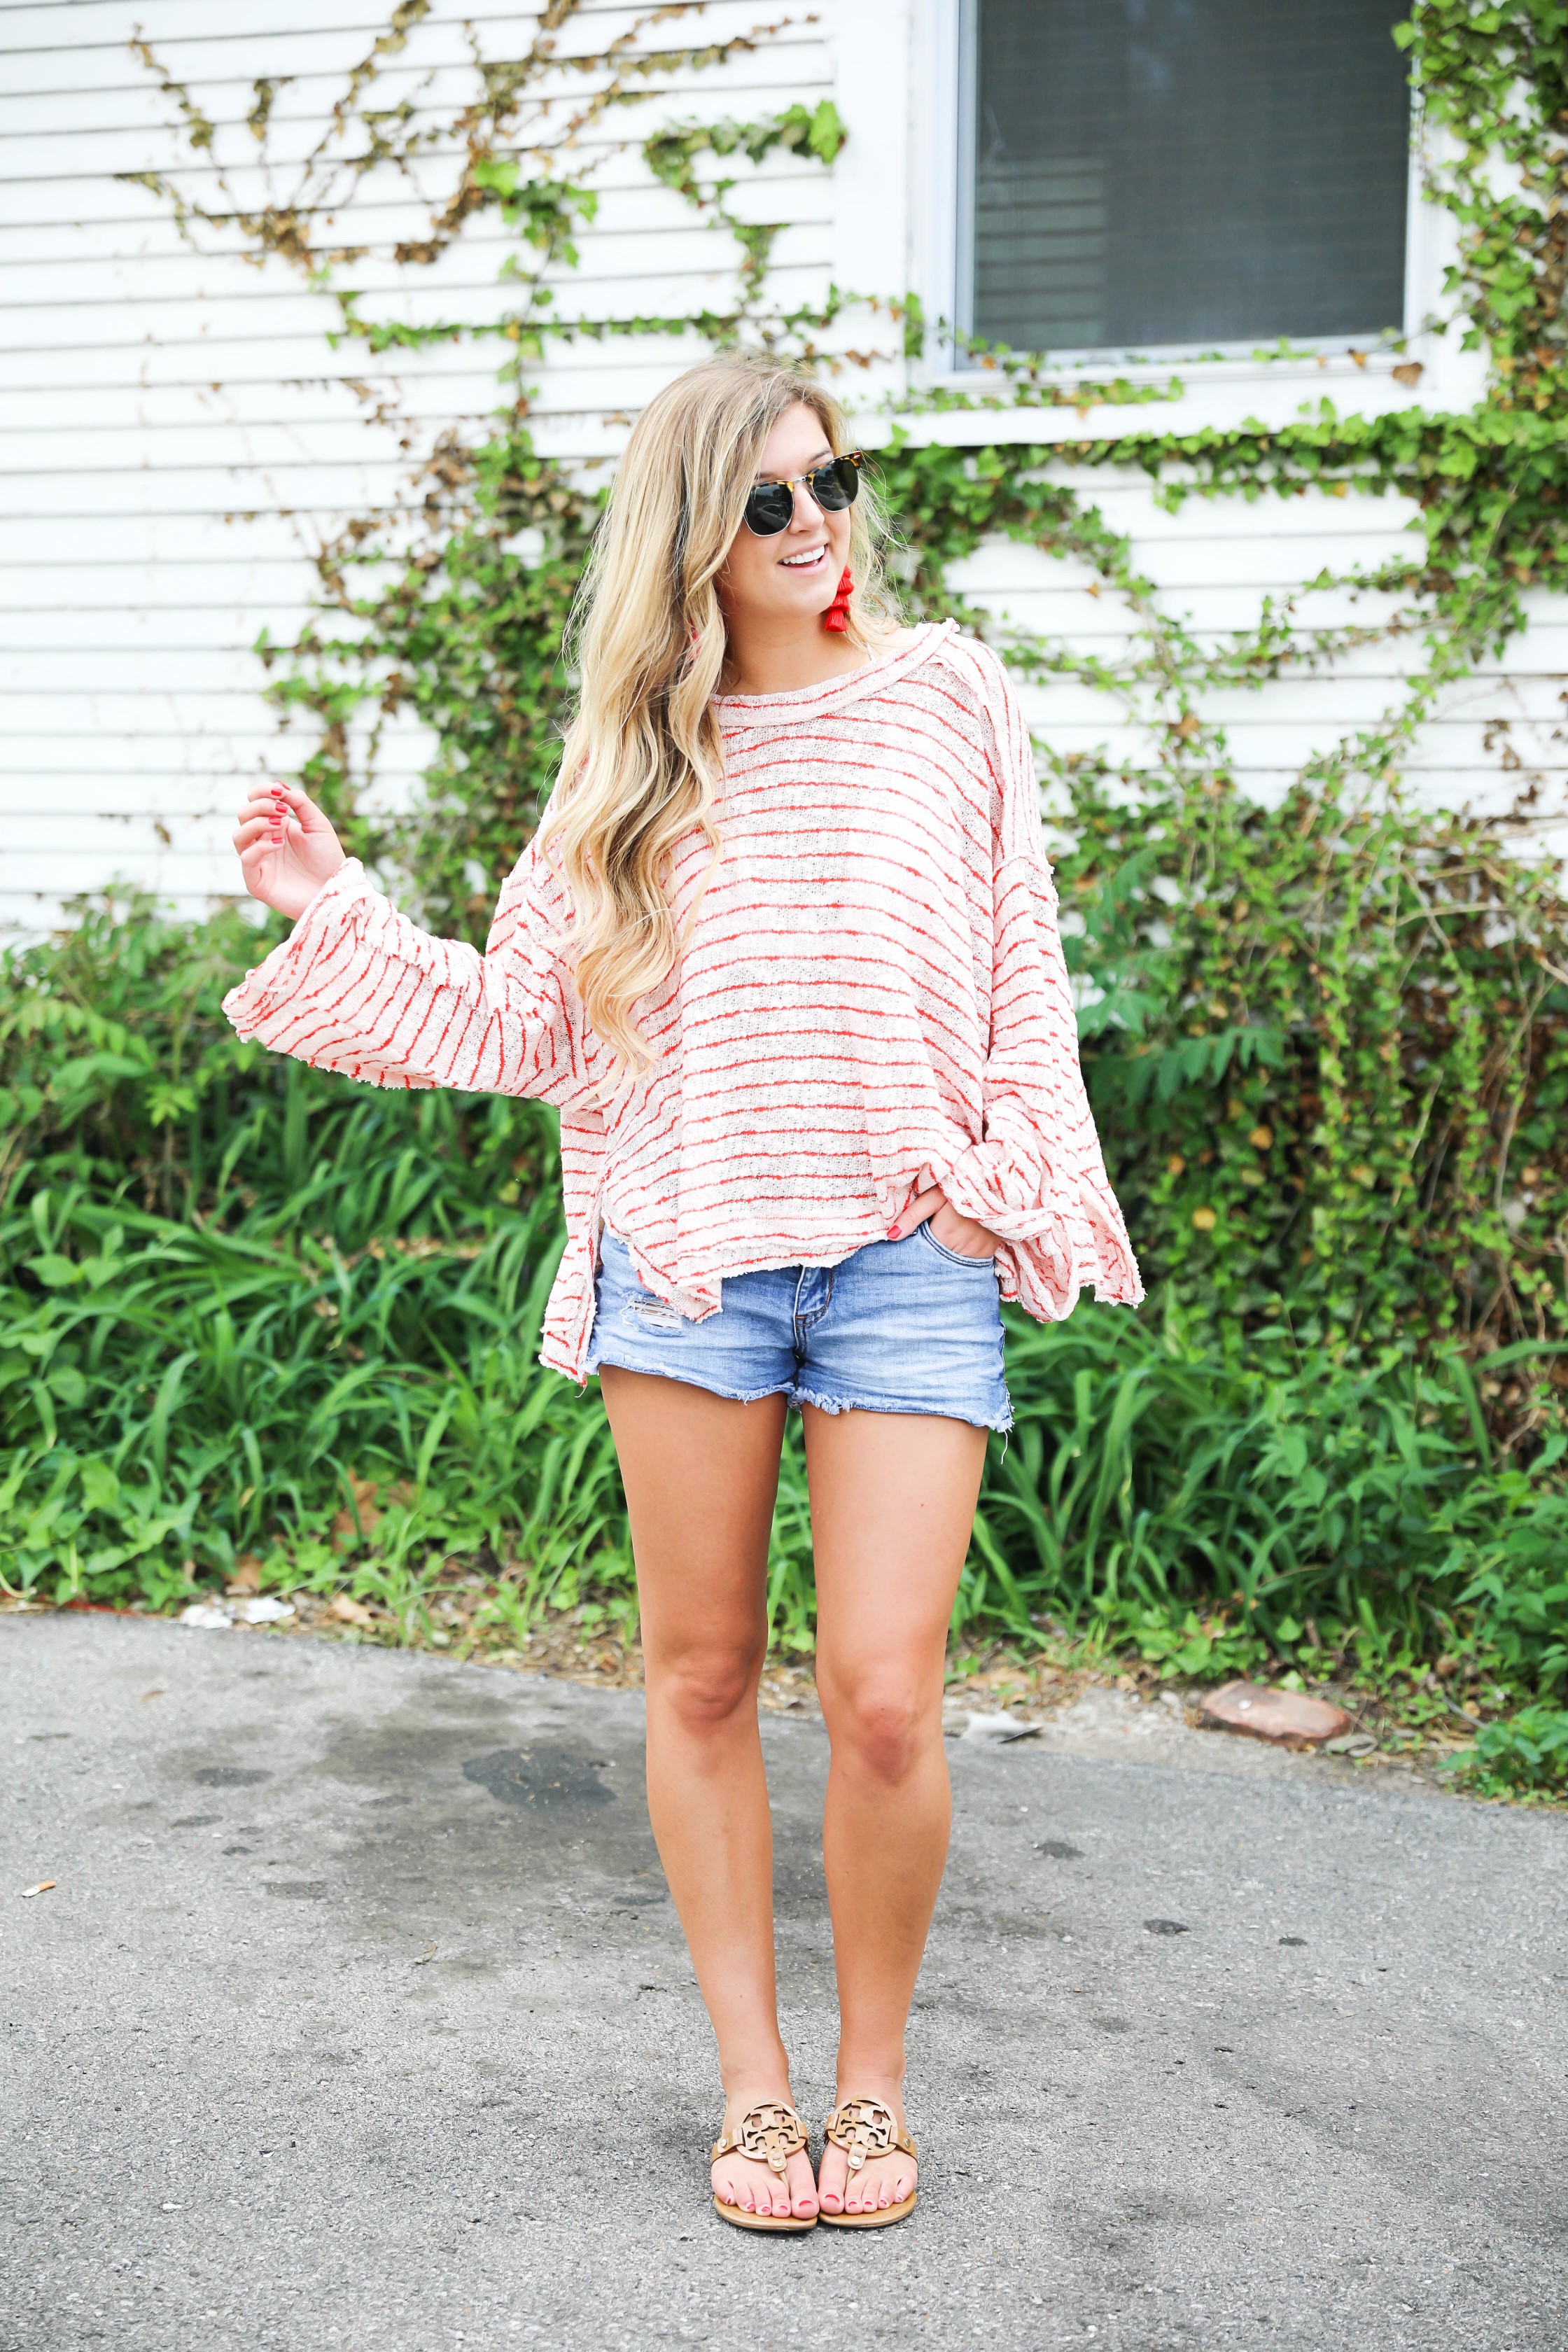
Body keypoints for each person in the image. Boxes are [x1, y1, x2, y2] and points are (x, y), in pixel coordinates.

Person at [225, 356, 1141, 2233]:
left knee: (885, 1698)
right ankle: (755, 2089)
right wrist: (336, 904)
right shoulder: (631, 762)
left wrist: (1006, 1202)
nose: (822, 528)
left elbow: (1018, 977)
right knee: (707, 1676)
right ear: (695, 542)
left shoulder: (946, 696)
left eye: (836, 481)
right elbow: (523, 1022)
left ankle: (871, 2095)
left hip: (905, 1250)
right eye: (774, 504)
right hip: (695, 1257)